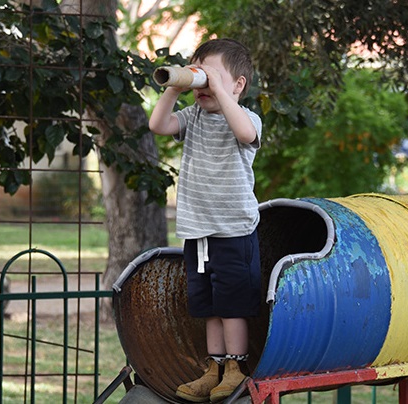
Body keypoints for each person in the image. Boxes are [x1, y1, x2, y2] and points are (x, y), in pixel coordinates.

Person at [149, 38, 262, 403]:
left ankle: (236, 369)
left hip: (233, 230)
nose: (204, 84)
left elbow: (245, 133)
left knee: (233, 306)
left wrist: (220, 90)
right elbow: (158, 124)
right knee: (208, 306)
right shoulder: (192, 117)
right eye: (199, 75)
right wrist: (176, 85)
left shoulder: (246, 119)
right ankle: (212, 368)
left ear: (238, 84)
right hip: (198, 233)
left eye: (211, 75)